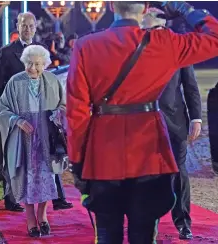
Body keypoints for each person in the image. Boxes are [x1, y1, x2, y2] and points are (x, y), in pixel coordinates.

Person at [66, 1, 218, 243]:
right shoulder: (165, 43)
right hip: (149, 151)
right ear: (146, 7)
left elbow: (76, 114)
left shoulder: (86, 45)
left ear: (112, 5)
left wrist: (77, 161)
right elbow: (215, 37)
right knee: (144, 234)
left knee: (106, 233)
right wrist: (183, 8)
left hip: (103, 152)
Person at [0, 11, 73, 212]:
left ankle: (56, 196)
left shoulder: (42, 51)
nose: (27, 29)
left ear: (35, 28)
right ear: (17, 27)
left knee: (47, 154)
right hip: (17, 111)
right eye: (23, 25)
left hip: (42, 113)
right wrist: (14, 102)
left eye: (31, 26)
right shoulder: (6, 52)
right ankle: (12, 198)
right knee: (14, 156)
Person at [142, 8, 202, 240]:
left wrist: (196, 118)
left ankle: (183, 222)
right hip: (144, 125)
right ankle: (148, 224)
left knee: (179, 173)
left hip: (175, 123)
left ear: (163, 27)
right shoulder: (136, 51)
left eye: (152, 27)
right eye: (146, 27)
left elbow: (190, 86)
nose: (148, 31)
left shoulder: (179, 50)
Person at [0, 45, 65, 237]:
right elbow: (1, 110)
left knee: (46, 176)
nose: (33, 68)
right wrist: (17, 121)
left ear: (45, 64)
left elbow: (64, 104)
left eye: (37, 64)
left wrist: (59, 114)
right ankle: (30, 219)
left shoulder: (52, 80)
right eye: (29, 63)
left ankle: (42, 215)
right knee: (26, 176)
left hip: (46, 136)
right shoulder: (15, 82)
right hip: (23, 138)